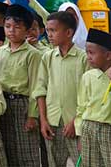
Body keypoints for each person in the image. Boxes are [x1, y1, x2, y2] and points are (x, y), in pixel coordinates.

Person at [34, 11, 87, 167]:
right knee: (54, 162)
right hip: (52, 122)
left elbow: (88, 95)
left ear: (69, 32)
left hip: (76, 123)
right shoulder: (48, 57)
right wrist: (43, 120)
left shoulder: (83, 58)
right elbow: (40, 90)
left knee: (81, 161)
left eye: (53, 30)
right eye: (47, 30)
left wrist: (75, 121)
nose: (49, 34)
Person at [0, 4, 41, 167]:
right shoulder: (0, 52)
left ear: (27, 31)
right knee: (8, 148)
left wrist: (32, 115)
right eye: (7, 26)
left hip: (23, 104)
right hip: (4, 102)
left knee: (27, 150)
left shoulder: (33, 54)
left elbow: (36, 85)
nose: (11, 31)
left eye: (17, 27)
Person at [76, 28, 111, 166]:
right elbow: (81, 107)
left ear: (108, 55)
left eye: (92, 53)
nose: (88, 56)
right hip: (88, 128)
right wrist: (79, 134)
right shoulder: (88, 77)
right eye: (86, 52)